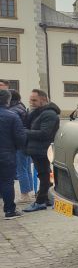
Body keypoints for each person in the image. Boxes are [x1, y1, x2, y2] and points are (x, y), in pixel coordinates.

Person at [23, 89, 60, 212]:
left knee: (44, 175)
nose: (31, 102)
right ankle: (47, 198)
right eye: (30, 99)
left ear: (43, 100)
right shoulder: (39, 112)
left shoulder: (48, 113)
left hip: (42, 149)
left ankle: (40, 202)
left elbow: (45, 133)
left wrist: (24, 132)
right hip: (38, 149)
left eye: (34, 100)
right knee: (45, 174)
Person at [0, 89, 26, 219]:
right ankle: (9, 210)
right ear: (7, 100)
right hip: (6, 154)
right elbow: (20, 138)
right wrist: (16, 148)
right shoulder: (12, 116)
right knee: (7, 182)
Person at [8, 90, 34, 202]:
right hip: (26, 142)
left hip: (19, 144)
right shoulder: (21, 107)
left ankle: (24, 195)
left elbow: (15, 129)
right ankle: (29, 192)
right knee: (27, 168)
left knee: (21, 169)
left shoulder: (13, 111)